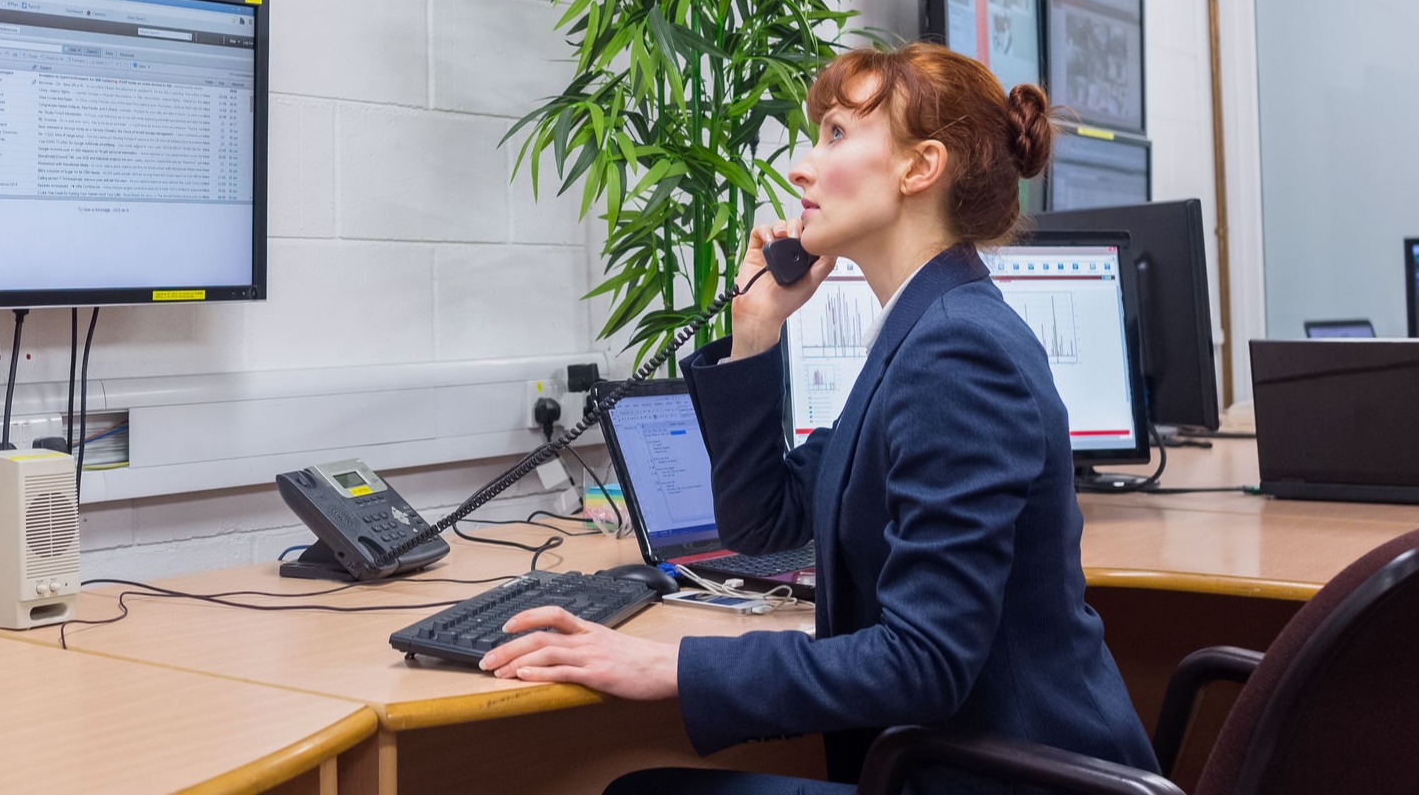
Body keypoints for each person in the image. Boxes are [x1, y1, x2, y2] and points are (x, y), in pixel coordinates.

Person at [479, 43, 1158, 793]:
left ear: (918, 167)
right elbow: (762, 521)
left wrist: (669, 663)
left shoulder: (957, 352)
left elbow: (921, 662)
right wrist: (753, 332)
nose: (800, 167)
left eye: (835, 134)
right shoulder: (923, 329)